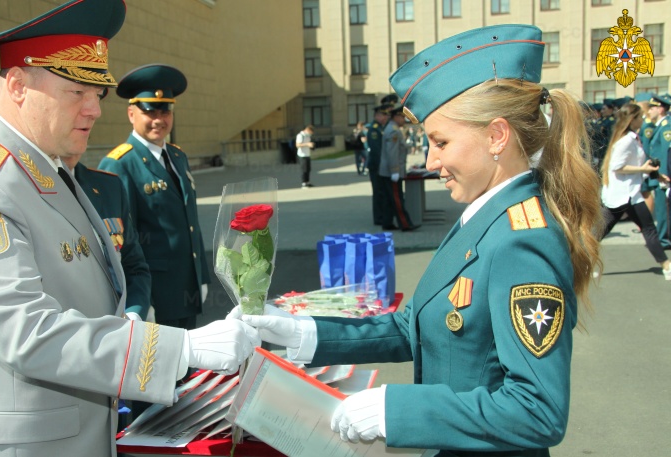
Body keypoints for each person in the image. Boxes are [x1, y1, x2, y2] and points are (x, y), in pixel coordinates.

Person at [236, 24, 603, 455]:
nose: (431, 161)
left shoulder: (522, 241)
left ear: (497, 136)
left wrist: (400, 411)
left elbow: (537, 411)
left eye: (441, 142)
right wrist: (303, 334)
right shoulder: (483, 216)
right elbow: (411, 327)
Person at [0, 2, 258, 456]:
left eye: (98, 93)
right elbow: (27, 332)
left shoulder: (46, 171)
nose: (94, 110)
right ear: (17, 85)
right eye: (76, 91)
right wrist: (180, 349)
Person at [99, 64, 211, 331]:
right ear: (131, 114)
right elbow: (119, 242)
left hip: (186, 286)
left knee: (186, 367)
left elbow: (190, 224)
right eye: (149, 111)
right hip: (153, 292)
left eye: (165, 110)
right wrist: (138, 300)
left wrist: (201, 276)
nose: (159, 119)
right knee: (158, 369)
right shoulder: (120, 164)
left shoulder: (177, 156)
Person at [61, 154, 153, 320]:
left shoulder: (108, 185)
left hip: (122, 325)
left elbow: (133, 264)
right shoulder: (21, 188)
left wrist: (133, 315)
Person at [599, 103, 671, 279]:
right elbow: (617, 166)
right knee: (599, 232)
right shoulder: (626, 141)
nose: (642, 119)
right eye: (639, 117)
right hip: (621, 195)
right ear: (632, 120)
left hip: (630, 193)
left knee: (648, 228)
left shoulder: (632, 137)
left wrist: (656, 175)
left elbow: (639, 163)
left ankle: (666, 264)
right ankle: (575, 259)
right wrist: (643, 170)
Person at [379, 103, 416, 231]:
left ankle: (387, 223)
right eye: (402, 117)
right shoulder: (393, 130)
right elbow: (392, 153)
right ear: (396, 117)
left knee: (390, 199)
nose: (403, 120)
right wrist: (395, 170)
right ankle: (405, 224)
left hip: (388, 171)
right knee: (397, 199)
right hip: (392, 172)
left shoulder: (392, 128)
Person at [646, 94, 671, 248]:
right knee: (661, 209)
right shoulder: (661, 125)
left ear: (661, 109)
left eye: (653, 107)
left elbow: (665, 153)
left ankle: (664, 239)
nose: (649, 111)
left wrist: (663, 174)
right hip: (659, 175)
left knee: (662, 210)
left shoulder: (666, 127)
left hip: (664, 176)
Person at [365, 104, 391, 225]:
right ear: (377, 116)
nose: (385, 117)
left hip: (379, 165)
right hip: (376, 166)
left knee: (381, 192)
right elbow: (376, 150)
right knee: (378, 192)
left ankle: (382, 215)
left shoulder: (380, 127)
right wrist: (383, 166)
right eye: (383, 115)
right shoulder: (374, 129)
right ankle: (378, 218)